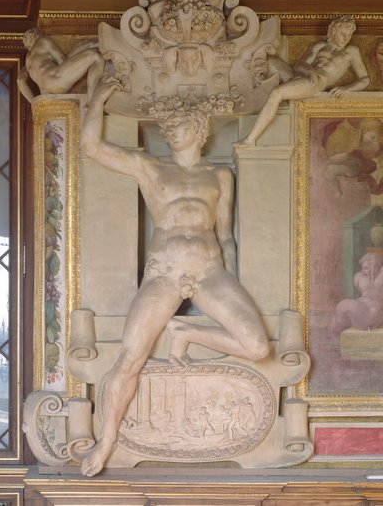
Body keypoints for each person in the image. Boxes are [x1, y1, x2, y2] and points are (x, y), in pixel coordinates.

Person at [79, 76, 269, 476]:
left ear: (199, 130)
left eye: (178, 125)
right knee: (130, 357)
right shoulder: (151, 168)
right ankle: (107, 440)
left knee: (257, 346)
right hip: (164, 271)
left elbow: (225, 235)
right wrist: (97, 98)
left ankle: (185, 331)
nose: (169, 131)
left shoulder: (220, 176)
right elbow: (91, 147)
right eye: (166, 127)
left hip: (210, 270)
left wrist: (232, 279)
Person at [239, 16, 370, 145]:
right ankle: (249, 97)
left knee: (277, 92)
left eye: (349, 35)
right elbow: (299, 64)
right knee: (270, 60)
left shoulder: (351, 51)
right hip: (301, 76)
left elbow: (365, 79)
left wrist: (347, 88)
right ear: (334, 31)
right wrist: (310, 71)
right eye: (343, 34)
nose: (346, 38)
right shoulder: (320, 45)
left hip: (315, 84)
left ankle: (250, 139)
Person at [17, 28, 104, 103]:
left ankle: (91, 44)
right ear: (35, 36)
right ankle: (91, 102)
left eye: (24, 37)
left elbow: (20, 80)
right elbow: (62, 60)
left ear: (32, 37)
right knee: (94, 55)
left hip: (45, 92)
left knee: (83, 46)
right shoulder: (42, 40)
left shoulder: (27, 59)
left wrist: (33, 102)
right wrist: (83, 48)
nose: (23, 41)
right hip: (55, 80)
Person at [328, 252, 383, 336]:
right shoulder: (359, 277)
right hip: (361, 312)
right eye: (363, 268)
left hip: (373, 314)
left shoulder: (381, 276)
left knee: (347, 304)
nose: (363, 271)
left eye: (366, 268)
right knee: (333, 325)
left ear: (375, 266)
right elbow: (363, 292)